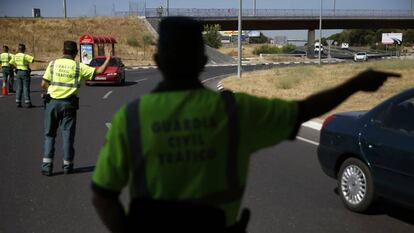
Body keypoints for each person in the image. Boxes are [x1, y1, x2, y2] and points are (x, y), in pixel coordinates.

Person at [91, 17, 401, 233]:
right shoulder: (234, 112)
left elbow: (103, 196)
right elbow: (304, 109)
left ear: (158, 62)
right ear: (203, 61)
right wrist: (356, 84)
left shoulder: (129, 119)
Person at [40, 41, 111, 176]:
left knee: (49, 135)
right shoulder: (79, 67)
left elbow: (43, 83)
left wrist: (52, 90)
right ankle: (68, 166)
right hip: (69, 105)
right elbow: (99, 71)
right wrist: (107, 59)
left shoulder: (53, 64)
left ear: (62, 51)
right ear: (76, 53)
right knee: (67, 136)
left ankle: (47, 167)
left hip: (52, 103)